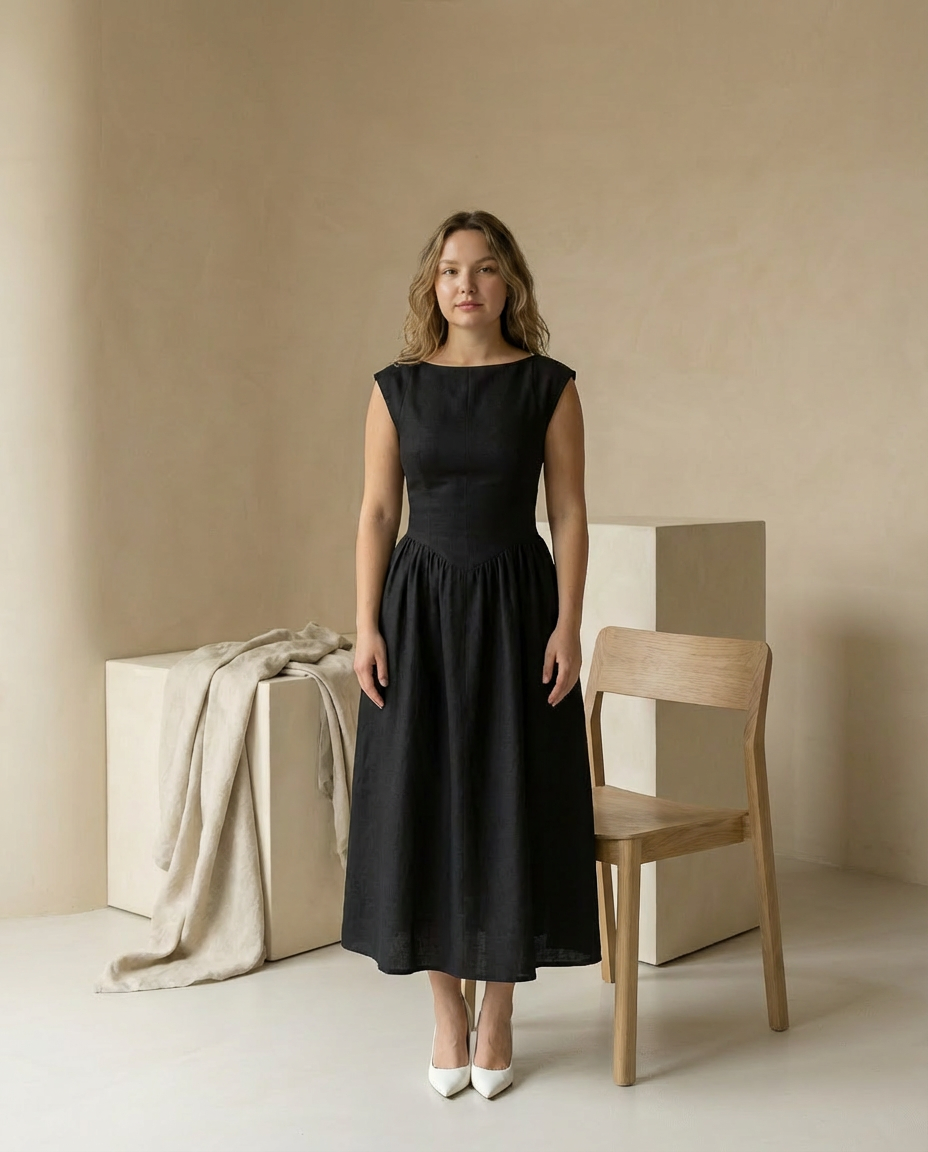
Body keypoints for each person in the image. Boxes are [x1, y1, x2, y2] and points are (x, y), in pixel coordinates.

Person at [341, 209, 601, 1098]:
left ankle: (500, 1009)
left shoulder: (548, 386)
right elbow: (379, 512)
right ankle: (447, 1009)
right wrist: (366, 624)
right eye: (452, 269)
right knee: (424, 796)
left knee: (506, 795)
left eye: (485, 269)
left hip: (518, 610)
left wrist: (569, 623)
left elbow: (569, 512)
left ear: (508, 283)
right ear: (433, 284)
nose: (467, 284)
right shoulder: (396, 388)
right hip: (417, 611)